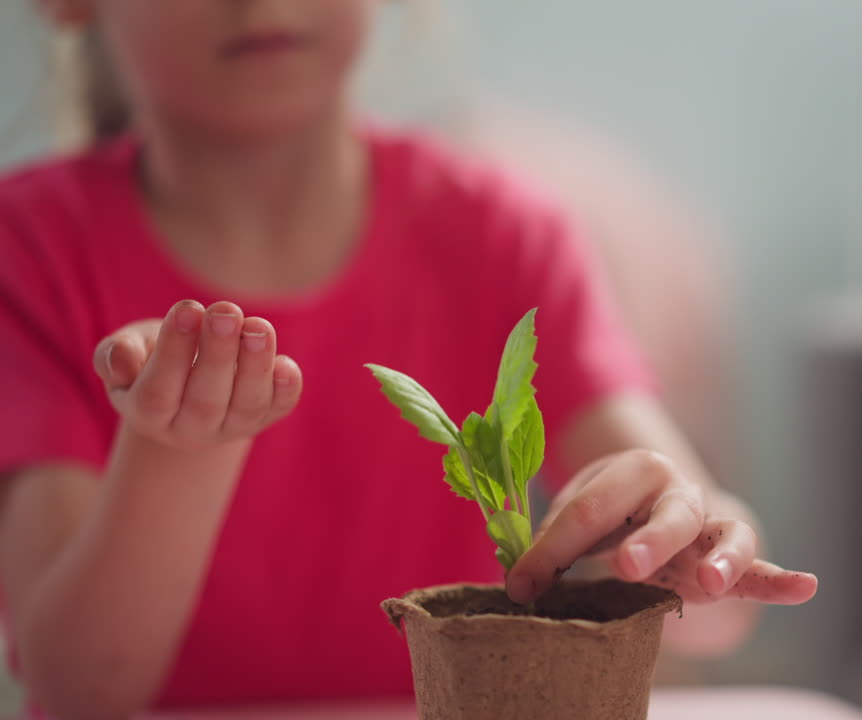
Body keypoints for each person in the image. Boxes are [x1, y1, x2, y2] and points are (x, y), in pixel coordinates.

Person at [0, 1, 817, 717]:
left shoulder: (505, 234)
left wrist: (698, 551)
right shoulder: (29, 250)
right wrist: (177, 452)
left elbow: (710, 603)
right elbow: (81, 688)